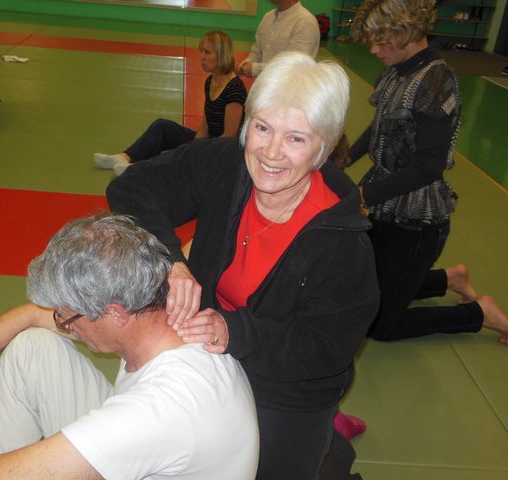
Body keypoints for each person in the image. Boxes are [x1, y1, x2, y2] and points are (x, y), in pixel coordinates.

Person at [107, 51, 380, 480]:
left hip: (289, 389)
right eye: (262, 127)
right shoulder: (226, 165)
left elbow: (325, 349)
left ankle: (330, 448)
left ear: (323, 148)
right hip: (210, 353)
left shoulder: (344, 242)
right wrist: (172, 262)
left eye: (296, 139)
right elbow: (133, 187)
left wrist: (233, 330)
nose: (271, 153)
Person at [0, 215, 260, 479]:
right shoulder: (163, 313)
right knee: (31, 349)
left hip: (154, 434)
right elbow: (32, 317)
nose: (63, 324)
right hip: (159, 448)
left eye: (68, 317)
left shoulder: (156, 411)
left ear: (115, 313)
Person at [348, 0, 508, 343]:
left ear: (407, 32)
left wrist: (363, 194)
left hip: (416, 219)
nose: (374, 50)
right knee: (365, 289)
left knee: (381, 326)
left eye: (381, 41)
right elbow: (379, 126)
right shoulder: (396, 69)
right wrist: (342, 160)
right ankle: (449, 279)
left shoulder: (435, 79)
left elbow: (429, 165)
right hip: (386, 204)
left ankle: (480, 313)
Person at [93, 30, 247, 175]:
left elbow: (229, 137)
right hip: (209, 142)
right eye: (201, 52)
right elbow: (206, 124)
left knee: (178, 154)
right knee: (162, 127)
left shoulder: (234, 89)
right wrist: (195, 145)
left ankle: (137, 170)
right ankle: (124, 157)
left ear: (221, 54)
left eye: (207, 52)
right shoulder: (210, 81)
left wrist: (196, 151)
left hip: (223, 152)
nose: (201, 57)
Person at [238, 0, 320, 78]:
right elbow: (257, 52)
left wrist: (254, 69)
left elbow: (295, 66)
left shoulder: (306, 22)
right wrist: (246, 64)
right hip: (264, 84)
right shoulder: (268, 17)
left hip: (291, 86)